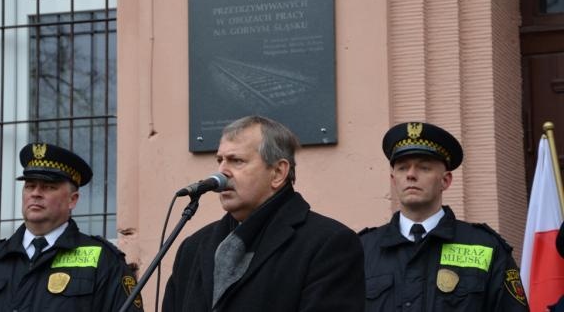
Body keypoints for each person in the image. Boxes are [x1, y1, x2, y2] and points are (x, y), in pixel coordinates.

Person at [163, 115, 365, 311]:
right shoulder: (193, 247)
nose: (221, 172)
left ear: (278, 173)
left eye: (237, 161)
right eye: (220, 160)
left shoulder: (328, 244)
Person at [359, 121, 529, 311]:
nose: (411, 175)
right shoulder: (363, 250)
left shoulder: (484, 247)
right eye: (402, 168)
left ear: (445, 181)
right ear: (393, 179)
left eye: (424, 168)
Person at [0, 143, 143, 311]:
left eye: (48, 187)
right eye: (30, 186)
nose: (35, 193)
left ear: (72, 200)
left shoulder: (104, 262)